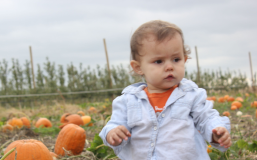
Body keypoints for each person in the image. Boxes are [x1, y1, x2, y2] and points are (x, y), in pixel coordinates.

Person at [99, 20, 231, 160]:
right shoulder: (128, 101)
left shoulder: (192, 96)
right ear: (138, 67)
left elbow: (207, 118)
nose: (169, 66)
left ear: (184, 59)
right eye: (159, 61)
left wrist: (216, 131)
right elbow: (115, 124)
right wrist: (112, 133)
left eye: (176, 59)